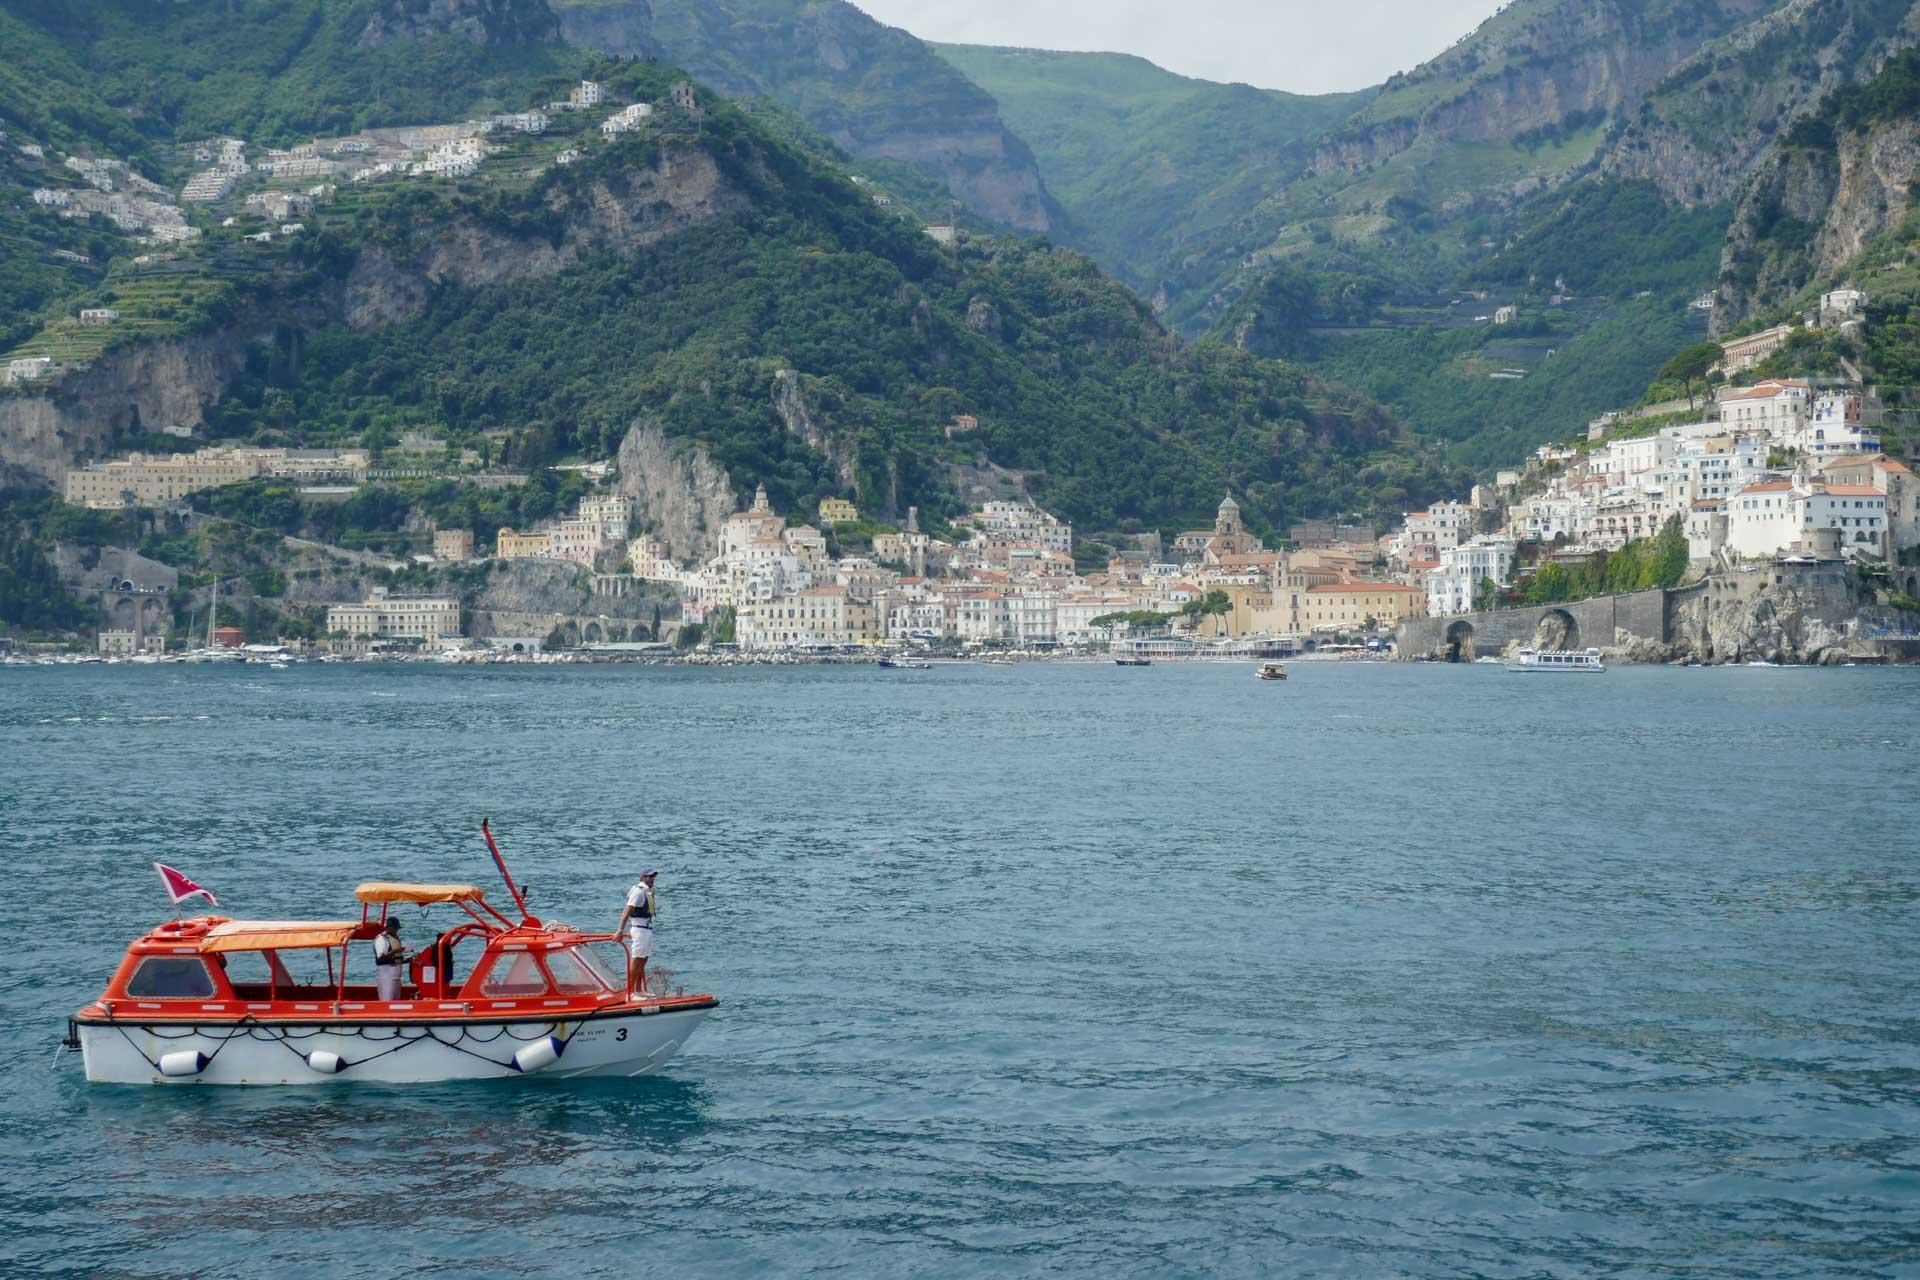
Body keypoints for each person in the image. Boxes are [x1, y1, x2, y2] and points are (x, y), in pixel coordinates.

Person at [615, 869, 658, 999]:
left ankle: (639, 989)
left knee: (643, 959)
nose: (652, 879)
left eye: (653, 877)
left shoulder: (648, 892)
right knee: (637, 959)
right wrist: (620, 930)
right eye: (650, 877)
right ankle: (631, 992)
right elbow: (626, 911)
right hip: (639, 929)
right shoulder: (639, 891)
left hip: (647, 929)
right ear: (643, 877)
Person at [373, 917, 408, 1001]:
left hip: (395, 976)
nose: (396, 931)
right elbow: (380, 959)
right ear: (389, 927)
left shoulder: (393, 938)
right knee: (387, 1000)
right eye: (395, 928)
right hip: (386, 976)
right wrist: (395, 951)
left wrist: (407, 961)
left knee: (396, 1000)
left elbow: (394, 960)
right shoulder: (382, 939)